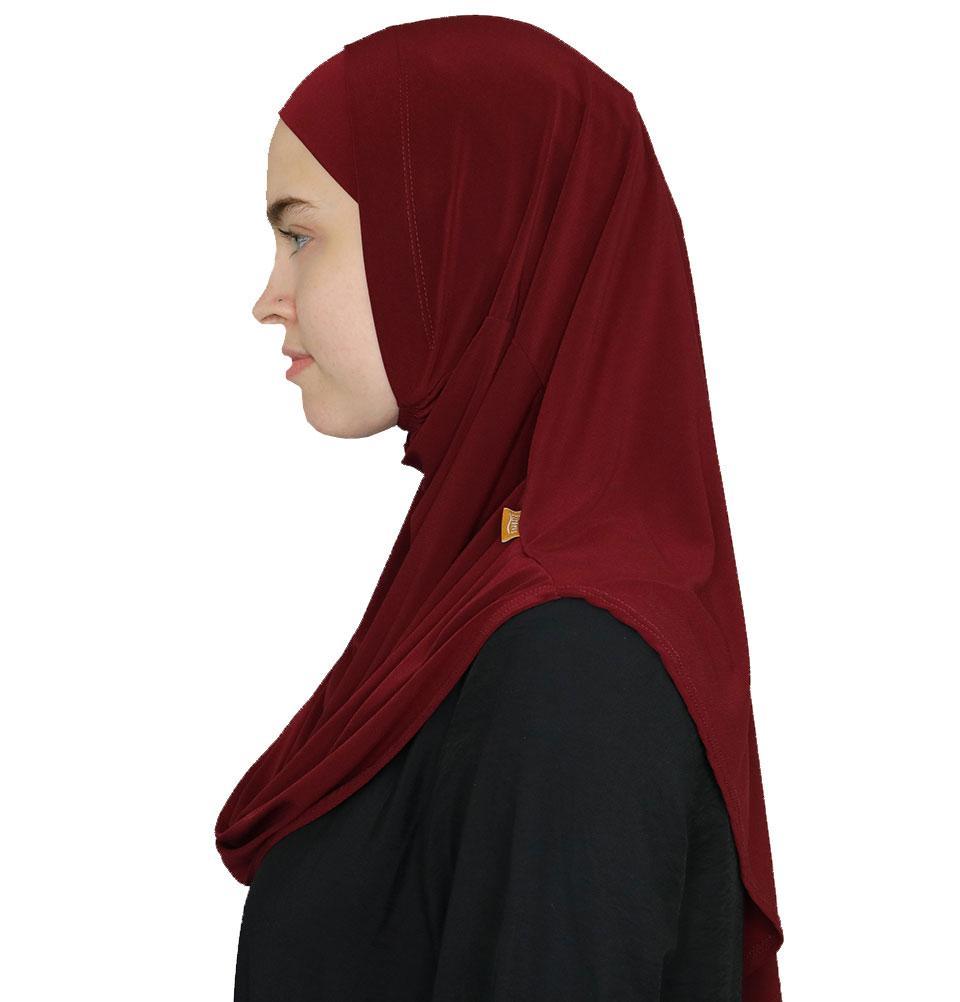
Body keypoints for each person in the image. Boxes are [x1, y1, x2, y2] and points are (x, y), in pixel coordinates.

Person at [218, 15, 784, 1001]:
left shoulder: (574, 666)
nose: (269, 297)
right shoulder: (486, 592)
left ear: (465, 233)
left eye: (301, 235)